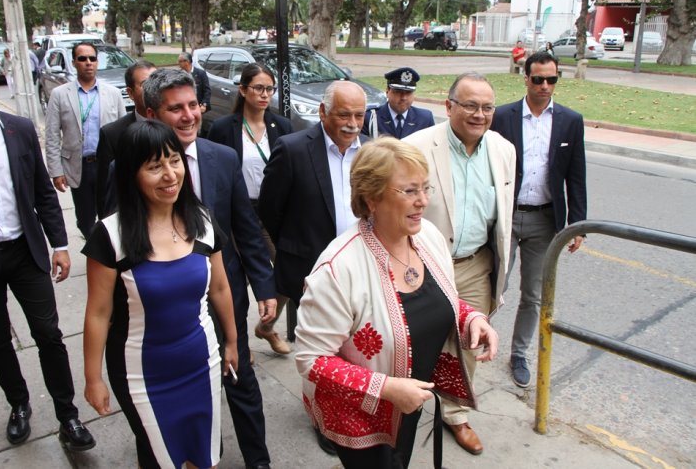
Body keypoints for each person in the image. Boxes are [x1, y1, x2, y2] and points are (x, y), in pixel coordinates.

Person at [295, 137, 499, 468]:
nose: (423, 202)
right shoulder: (338, 269)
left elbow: (434, 301)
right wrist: (387, 388)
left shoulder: (428, 236)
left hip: (409, 403)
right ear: (372, 198)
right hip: (358, 416)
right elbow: (310, 360)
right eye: (409, 191)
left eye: (426, 188)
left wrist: (471, 318)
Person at [0, 43, 95, 451]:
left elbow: (43, 195)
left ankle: (68, 415)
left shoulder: (20, 129)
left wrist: (60, 244)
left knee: (49, 334)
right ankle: (19, 405)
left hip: (26, 251)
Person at [82, 120, 238, 468]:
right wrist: (93, 379)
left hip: (203, 362)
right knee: (160, 457)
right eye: (154, 166)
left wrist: (231, 342)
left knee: (205, 453)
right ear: (131, 175)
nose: (170, 175)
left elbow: (221, 287)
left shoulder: (201, 220)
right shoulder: (110, 236)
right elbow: (98, 313)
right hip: (142, 374)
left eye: (174, 160)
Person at [143, 68, 276, 469]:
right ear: (151, 115)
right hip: (169, 309)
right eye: (175, 109)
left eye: (193, 105)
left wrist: (264, 285)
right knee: (186, 393)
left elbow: (246, 229)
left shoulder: (222, 158)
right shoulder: (131, 169)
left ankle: (259, 461)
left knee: (241, 381)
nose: (188, 116)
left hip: (226, 295)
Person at [404, 72, 516, 455]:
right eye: (469, 105)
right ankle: (402, 404)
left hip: (474, 264)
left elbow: (502, 219)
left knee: (470, 341)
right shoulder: (416, 147)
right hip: (421, 264)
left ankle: (454, 414)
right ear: (449, 106)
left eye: (486, 107)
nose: (478, 114)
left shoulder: (503, 150)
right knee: (412, 339)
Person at [257, 80, 369, 455]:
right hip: (310, 269)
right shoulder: (291, 150)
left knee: (353, 345)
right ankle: (324, 416)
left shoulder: (371, 151)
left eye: (359, 114)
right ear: (322, 113)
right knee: (319, 351)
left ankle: (352, 404)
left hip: (360, 268)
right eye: (344, 114)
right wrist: (294, 248)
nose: (353, 123)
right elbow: (270, 211)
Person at [490, 51, 587, 388]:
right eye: (538, 79)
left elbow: (576, 176)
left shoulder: (570, 121)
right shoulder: (502, 117)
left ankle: (519, 353)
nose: (545, 86)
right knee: (494, 286)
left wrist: (578, 225)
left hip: (545, 221)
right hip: (504, 216)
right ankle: (471, 341)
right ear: (525, 78)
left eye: (552, 80)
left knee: (533, 294)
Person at [207, 63, 293, 355]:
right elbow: (214, 172)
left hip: (270, 213)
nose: (264, 94)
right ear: (243, 90)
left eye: (269, 88)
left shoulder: (280, 126)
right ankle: (239, 345)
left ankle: (266, 327)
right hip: (235, 215)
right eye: (258, 88)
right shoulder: (222, 128)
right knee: (233, 282)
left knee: (286, 273)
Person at [44, 41, 126, 239]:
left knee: (111, 215)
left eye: (92, 58)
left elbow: (124, 132)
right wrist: (56, 171)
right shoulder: (60, 94)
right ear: (74, 63)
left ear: (97, 62)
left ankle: (110, 256)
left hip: (108, 165)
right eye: (82, 59)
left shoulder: (113, 94)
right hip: (78, 166)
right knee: (85, 219)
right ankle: (94, 249)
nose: (88, 62)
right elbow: (52, 135)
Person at [96, 60, 157, 217]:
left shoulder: (174, 125)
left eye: (157, 81)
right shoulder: (112, 135)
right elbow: (105, 195)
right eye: (145, 84)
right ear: (130, 93)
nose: (154, 89)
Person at [362, 67, 435, 139]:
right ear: (387, 91)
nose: (404, 98)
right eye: (398, 92)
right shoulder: (370, 118)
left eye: (408, 93)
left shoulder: (424, 119)